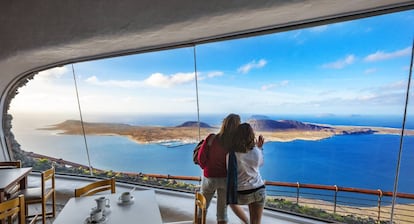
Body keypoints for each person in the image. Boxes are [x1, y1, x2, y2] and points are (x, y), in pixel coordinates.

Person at [198, 114, 249, 224]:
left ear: (223, 124)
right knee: (222, 213)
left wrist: (207, 168)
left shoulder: (211, 138)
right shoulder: (236, 145)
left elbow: (201, 158)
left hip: (209, 178)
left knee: (201, 209)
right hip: (226, 180)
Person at [227, 123, 265, 224]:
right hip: (259, 190)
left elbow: (229, 171)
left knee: (230, 201)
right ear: (251, 136)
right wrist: (260, 148)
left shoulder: (231, 154)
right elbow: (260, 164)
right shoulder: (256, 151)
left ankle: (245, 221)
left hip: (241, 193)